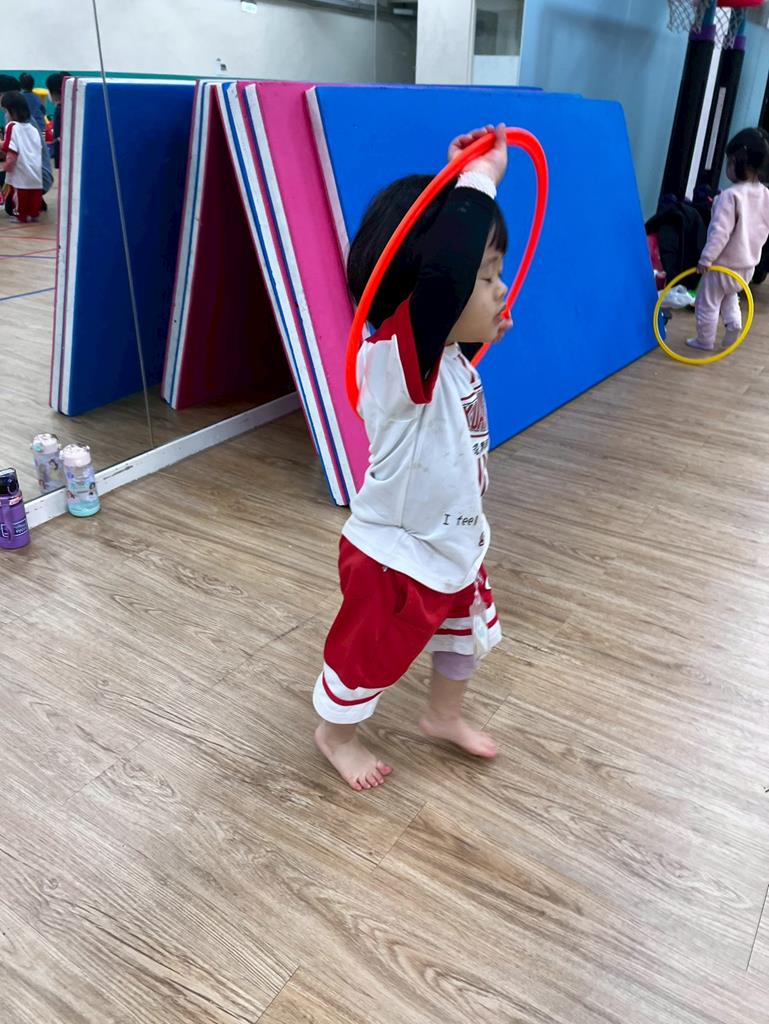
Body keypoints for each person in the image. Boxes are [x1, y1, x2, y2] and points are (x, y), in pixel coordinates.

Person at [312, 124, 513, 790]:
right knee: (367, 657)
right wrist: (477, 180)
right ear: (426, 288)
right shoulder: (395, 364)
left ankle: (441, 716)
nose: (500, 288)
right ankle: (335, 735)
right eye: (486, 275)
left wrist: (483, 323)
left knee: (462, 634)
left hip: (449, 539)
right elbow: (443, 283)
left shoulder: (443, 358)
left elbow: (449, 313)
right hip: (394, 558)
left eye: (497, 273)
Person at [687, 128, 769, 352]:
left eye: (728, 161)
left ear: (737, 162)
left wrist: (706, 258)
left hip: (722, 265)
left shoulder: (730, 196)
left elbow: (719, 233)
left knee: (707, 301)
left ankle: (704, 340)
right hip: (747, 266)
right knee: (729, 295)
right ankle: (733, 323)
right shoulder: (765, 195)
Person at [0, 73, 52, 205]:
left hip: (38, 178)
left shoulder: (15, 120)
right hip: (40, 176)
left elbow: (12, 151)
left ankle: (26, 199)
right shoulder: (23, 116)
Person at [0, 91, 43, 223]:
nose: (5, 115)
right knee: (34, 196)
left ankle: (21, 216)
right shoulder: (33, 129)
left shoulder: (12, 126)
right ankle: (34, 214)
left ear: (12, 111)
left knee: (19, 197)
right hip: (36, 172)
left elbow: (11, 151)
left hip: (21, 172)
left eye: (6, 111)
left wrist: (6, 167)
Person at [46, 72, 70, 170]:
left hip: (63, 155)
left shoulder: (60, 109)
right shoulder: (69, 107)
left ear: (54, 92)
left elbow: (58, 134)